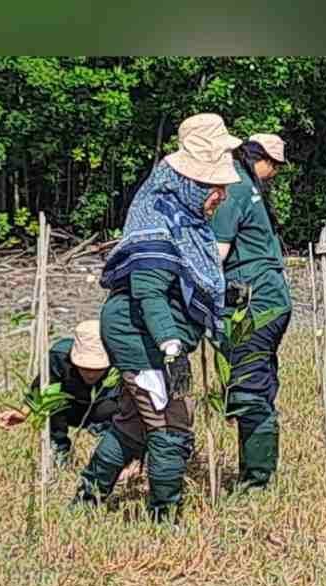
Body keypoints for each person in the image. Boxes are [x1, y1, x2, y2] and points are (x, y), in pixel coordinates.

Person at [72, 113, 240, 524]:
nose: (220, 194)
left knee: (132, 424)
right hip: (141, 333)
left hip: (160, 336)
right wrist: (170, 344)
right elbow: (148, 289)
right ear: (188, 182)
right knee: (170, 426)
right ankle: (165, 516)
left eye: (221, 185)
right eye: (212, 185)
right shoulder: (156, 215)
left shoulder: (188, 218)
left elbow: (188, 281)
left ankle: (87, 499)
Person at [209, 133, 290, 492]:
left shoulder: (236, 189)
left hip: (252, 303)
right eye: (274, 167)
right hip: (268, 299)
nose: (273, 175)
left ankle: (255, 482)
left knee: (247, 388)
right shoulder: (246, 187)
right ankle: (258, 470)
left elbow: (216, 254)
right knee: (257, 381)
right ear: (263, 161)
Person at [0, 320, 119, 468]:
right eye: (85, 368)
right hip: (71, 409)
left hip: (103, 410)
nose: (91, 374)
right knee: (55, 403)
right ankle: (59, 453)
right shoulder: (59, 357)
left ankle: (108, 457)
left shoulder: (121, 363)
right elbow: (42, 386)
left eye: (97, 368)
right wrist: (23, 413)